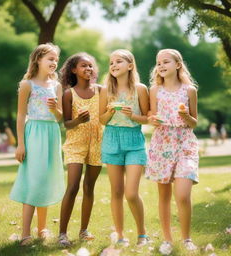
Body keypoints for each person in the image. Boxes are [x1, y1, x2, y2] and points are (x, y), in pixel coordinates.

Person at [10, 43, 65, 246]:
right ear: (38, 60)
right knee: (33, 180)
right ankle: (25, 233)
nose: (54, 62)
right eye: (50, 58)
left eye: (56, 59)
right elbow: (21, 115)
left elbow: (60, 117)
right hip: (34, 133)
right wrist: (20, 144)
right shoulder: (27, 85)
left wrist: (55, 110)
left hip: (52, 133)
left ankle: (42, 229)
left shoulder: (57, 86)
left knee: (46, 179)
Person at [146, 49, 199, 255]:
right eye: (158, 62)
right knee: (164, 195)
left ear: (178, 64)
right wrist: (152, 119)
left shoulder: (189, 90)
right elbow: (152, 114)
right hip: (162, 143)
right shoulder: (155, 90)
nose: (161, 66)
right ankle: (167, 240)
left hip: (185, 143)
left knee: (183, 194)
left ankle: (186, 239)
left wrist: (185, 116)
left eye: (165, 62)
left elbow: (194, 122)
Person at [99, 49, 150, 247]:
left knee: (131, 192)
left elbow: (147, 117)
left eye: (118, 61)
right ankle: (120, 235)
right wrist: (110, 111)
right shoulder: (106, 91)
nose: (113, 65)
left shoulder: (140, 89)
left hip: (134, 143)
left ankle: (142, 233)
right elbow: (101, 120)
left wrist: (133, 116)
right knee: (116, 191)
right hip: (112, 140)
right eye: (111, 62)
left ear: (130, 65)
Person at [58, 53, 102, 246]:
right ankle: (62, 234)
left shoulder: (102, 90)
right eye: (84, 66)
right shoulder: (69, 94)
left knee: (89, 187)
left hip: (97, 142)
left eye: (91, 66)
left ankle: (84, 230)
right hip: (75, 143)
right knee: (73, 185)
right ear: (74, 70)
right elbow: (67, 123)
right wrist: (77, 120)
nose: (88, 69)